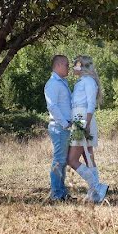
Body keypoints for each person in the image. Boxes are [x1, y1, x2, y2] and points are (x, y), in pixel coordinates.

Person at [67, 54, 109, 203]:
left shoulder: (89, 82)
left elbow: (91, 105)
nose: (73, 68)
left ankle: (97, 186)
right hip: (79, 119)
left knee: (71, 159)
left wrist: (85, 125)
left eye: (75, 65)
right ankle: (95, 193)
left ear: (81, 66)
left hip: (83, 121)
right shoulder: (81, 82)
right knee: (88, 157)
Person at [44, 54, 72, 201]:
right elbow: (52, 106)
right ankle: (56, 194)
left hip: (64, 127)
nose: (69, 68)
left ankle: (62, 192)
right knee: (59, 160)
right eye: (67, 65)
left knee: (62, 161)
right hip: (59, 126)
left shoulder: (62, 82)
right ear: (59, 65)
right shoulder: (53, 84)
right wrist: (65, 123)